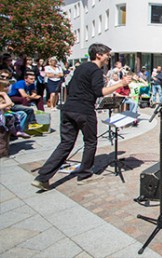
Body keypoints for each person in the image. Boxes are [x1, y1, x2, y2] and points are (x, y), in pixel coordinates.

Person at [31, 43, 132, 191]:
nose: (108, 59)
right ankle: (84, 175)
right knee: (90, 141)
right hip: (84, 110)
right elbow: (100, 92)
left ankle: (42, 177)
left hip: (68, 109)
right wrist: (120, 83)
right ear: (98, 55)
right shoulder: (96, 71)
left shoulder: (80, 68)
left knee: (65, 144)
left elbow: (70, 87)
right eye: (107, 56)